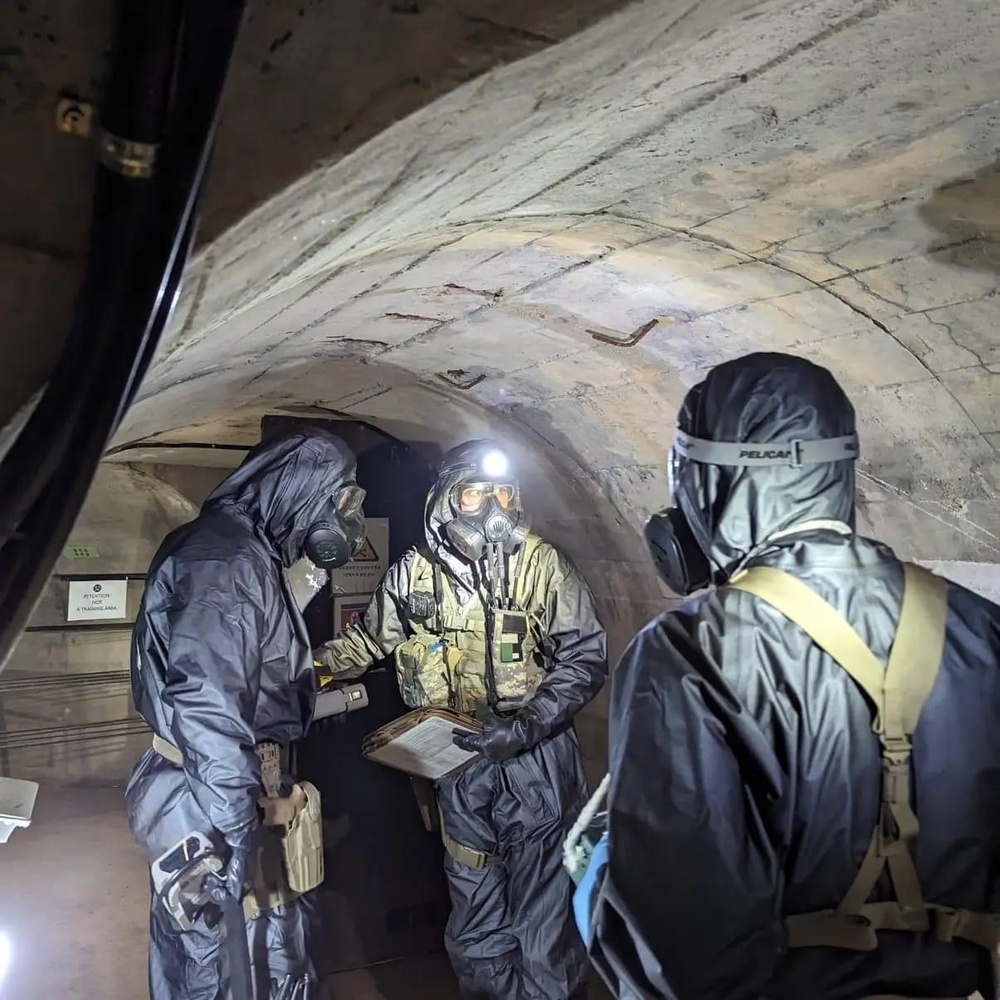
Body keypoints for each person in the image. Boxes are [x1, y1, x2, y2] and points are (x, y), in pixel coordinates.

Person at [578, 351, 1000, 1000]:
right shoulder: (983, 630)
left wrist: (597, 884)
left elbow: (679, 953)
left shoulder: (686, 654)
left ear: (705, 485)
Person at [315, 439, 608, 1000]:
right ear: (445, 503)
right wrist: (305, 673)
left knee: (543, 914)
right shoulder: (412, 575)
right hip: (460, 759)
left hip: (535, 759)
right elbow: (367, 642)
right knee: (474, 901)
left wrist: (529, 724)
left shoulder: (541, 564)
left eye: (502, 493)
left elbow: (586, 656)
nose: (492, 509)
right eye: (474, 494)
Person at [126, 426, 367, 1000]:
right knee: (238, 968)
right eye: (339, 500)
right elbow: (207, 701)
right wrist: (236, 827)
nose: (345, 519)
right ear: (300, 487)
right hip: (215, 796)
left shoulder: (241, 552)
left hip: (212, 787)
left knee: (215, 961)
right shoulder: (226, 560)